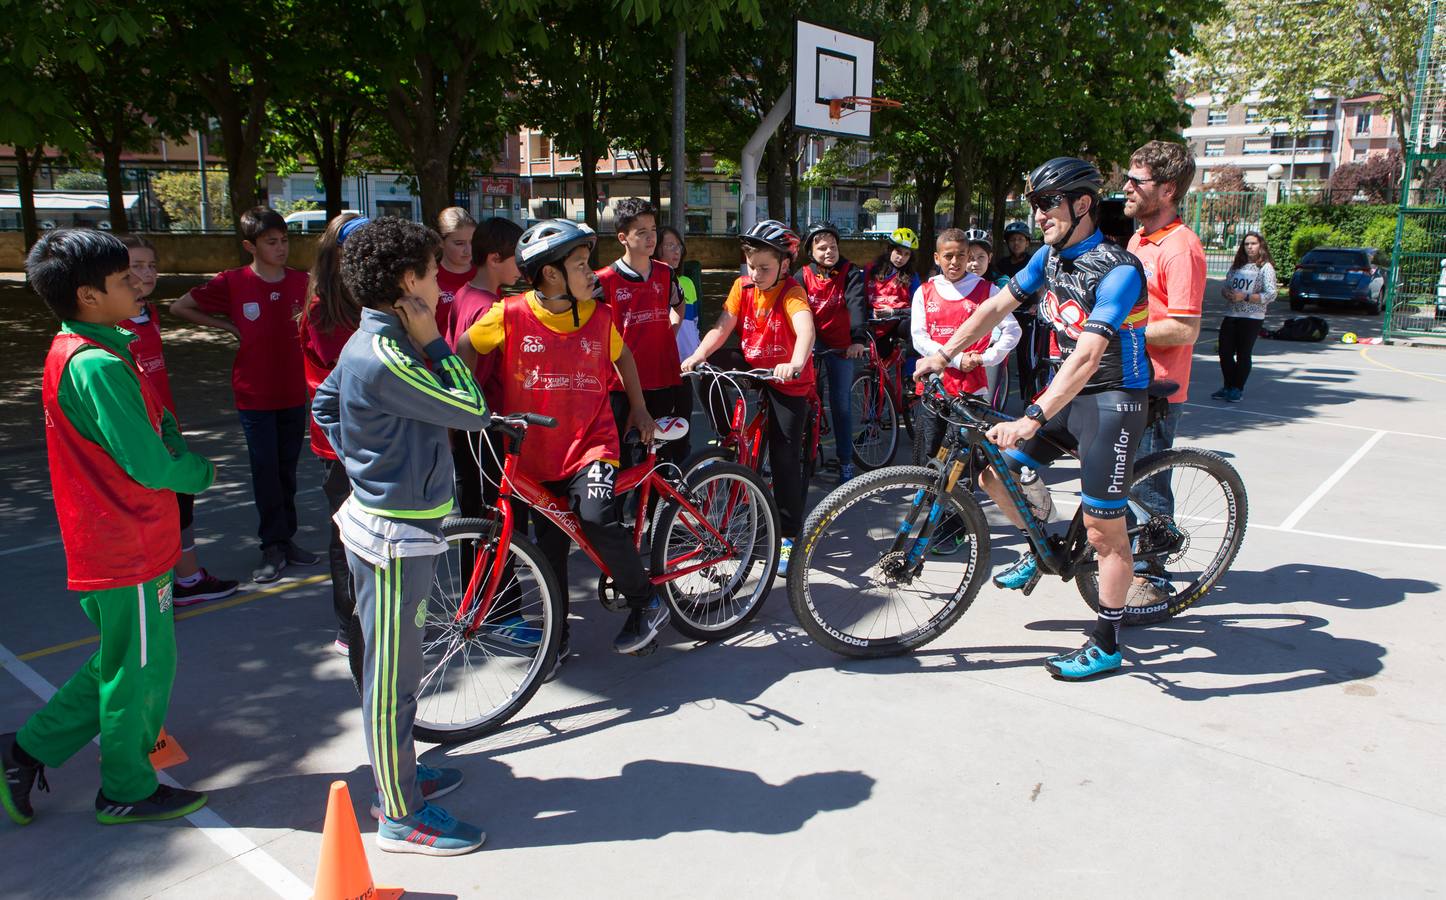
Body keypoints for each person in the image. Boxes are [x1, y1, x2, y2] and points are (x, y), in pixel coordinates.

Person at [2, 230, 216, 827]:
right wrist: (197, 470)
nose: (139, 284)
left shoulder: (94, 347)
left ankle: (25, 750)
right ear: (89, 296)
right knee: (139, 670)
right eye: (125, 279)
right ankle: (124, 787)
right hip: (127, 543)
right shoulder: (94, 362)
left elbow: (154, 425)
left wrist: (169, 438)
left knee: (122, 659)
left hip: (121, 539)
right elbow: (149, 462)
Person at [916, 157, 1152, 680]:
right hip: (1067, 393)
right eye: (1035, 204)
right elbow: (994, 308)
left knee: (1101, 533)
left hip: (1113, 399)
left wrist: (1032, 415)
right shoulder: (1047, 258)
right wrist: (945, 353)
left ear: (1082, 205)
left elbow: (1089, 355)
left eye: (1048, 203)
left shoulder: (1119, 268)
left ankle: (1108, 640)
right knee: (991, 471)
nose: (1038, 214)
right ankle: (1043, 543)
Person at [311, 216, 488, 855]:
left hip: (401, 522)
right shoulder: (389, 350)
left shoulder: (375, 337)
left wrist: (366, 459)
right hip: (393, 535)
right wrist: (437, 343)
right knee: (393, 677)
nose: (443, 285)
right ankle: (399, 813)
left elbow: (325, 406)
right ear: (408, 284)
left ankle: (401, 772)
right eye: (435, 274)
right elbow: (473, 410)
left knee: (400, 669)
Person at [458, 220, 668, 666]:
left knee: (595, 517)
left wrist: (640, 408)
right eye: (580, 265)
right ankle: (558, 636)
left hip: (592, 445)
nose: (592, 272)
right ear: (552, 275)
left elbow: (623, 357)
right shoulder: (510, 313)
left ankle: (646, 600)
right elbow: (466, 344)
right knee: (549, 549)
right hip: (536, 454)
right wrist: (464, 393)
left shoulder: (601, 316)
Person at [170, 206, 318, 583]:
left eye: (284, 240)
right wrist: (226, 326)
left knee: (287, 470)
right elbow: (179, 306)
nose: (281, 248)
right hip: (254, 395)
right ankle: (271, 544)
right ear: (250, 246)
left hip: (292, 391)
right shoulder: (232, 282)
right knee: (265, 469)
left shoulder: (302, 280)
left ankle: (286, 540)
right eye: (272, 242)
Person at [682, 219, 815, 575]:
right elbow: (723, 325)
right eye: (752, 266)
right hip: (753, 363)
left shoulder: (792, 292)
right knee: (706, 369)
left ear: (785, 265)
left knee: (785, 458)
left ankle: (788, 535)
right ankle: (727, 435)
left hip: (787, 379)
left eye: (765, 268)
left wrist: (796, 361)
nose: (756, 274)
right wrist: (697, 355)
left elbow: (805, 329)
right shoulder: (742, 286)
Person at [119, 235, 238, 607]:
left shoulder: (149, 313)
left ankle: (187, 579)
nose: (147, 272)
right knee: (147, 515)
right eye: (136, 265)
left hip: (167, 429)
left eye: (151, 265)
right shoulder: (111, 326)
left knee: (180, 506)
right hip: (140, 436)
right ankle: (149, 597)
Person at [1123, 140, 1206, 605]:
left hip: (1159, 386)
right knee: (1119, 476)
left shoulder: (1181, 247)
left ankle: (1153, 575)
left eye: (1138, 180)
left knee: (1148, 482)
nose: (1127, 187)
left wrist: (1120, 331)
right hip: (1128, 376)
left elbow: (1185, 327)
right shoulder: (1139, 239)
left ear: (1168, 189)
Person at [909, 229, 1022, 555]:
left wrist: (986, 358)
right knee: (929, 457)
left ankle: (956, 526)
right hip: (934, 389)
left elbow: (1012, 332)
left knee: (964, 461)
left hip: (972, 392)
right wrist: (956, 357)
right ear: (937, 258)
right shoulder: (925, 292)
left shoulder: (987, 291)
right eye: (949, 256)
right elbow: (919, 337)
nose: (956, 262)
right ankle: (930, 520)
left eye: (962, 255)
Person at [299, 213, 366, 655]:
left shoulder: (371, 297)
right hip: (341, 443)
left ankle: (376, 616)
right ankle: (349, 626)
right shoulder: (323, 309)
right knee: (345, 536)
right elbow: (345, 378)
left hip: (378, 438)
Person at [595, 198, 691, 471]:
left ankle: (652, 514)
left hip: (662, 377)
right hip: (621, 385)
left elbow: (678, 306)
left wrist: (668, 335)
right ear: (623, 238)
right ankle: (622, 513)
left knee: (658, 458)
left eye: (653, 230)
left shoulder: (665, 273)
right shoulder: (603, 280)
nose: (651, 238)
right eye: (642, 232)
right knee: (622, 459)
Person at [447, 217, 524, 519]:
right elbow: (476, 373)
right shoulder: (491, 309)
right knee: (492, 514)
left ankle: (472, 569)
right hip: (486, 425)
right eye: (516, 259)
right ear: (494, 259)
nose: (521, 266)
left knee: (472, 509)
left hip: (466, 425)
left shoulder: (463, 293)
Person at [796, 223, 869, 482]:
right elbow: (792, 309)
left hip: (842, 347)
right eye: (822, 247)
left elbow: (857, 304)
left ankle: (846, 461)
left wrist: (857, 339)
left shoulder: (849, 272)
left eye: (833, 247)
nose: (829, 252)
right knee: (802, 401)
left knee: (841, 404)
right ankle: (803, 454)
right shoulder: (802, 275)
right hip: (812, 345)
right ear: (811, 251)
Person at [959, 229, 1022, 412]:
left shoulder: (1000, 283)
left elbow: (1006, 320)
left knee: (986, 406)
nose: (975, 263)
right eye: (970, 258)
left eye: (981, 257)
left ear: (990, 257)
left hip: (988, 348)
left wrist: (992, 349)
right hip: (959, 350)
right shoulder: (952, 284)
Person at [1213, 232, 1276, 403]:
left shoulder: (1265, 267)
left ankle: (1237, 388)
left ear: (1260, 245)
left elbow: (1271, 294)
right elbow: (1225, 286)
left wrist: (1246, 297)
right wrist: (1227, 293)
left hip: (1252, 316)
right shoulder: (1237, 266)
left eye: (1253, 243)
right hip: (1232, 313)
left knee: (1243, 353)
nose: (1250, 247)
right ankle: (1228, 385)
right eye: (1247, 244)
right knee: (1224, 352)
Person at [996, 221, 1050, 404]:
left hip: (1028, 316)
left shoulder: (1032, 262)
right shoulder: (1002, 264)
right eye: (1012, 240)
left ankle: (1031, 400)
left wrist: (1038, 305)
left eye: (1020, 239)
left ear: (1027, 243)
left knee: (1027, 360)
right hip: (1008, 315)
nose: (1016, 243)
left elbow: (1042, 288)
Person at [864, 227, 921, 359]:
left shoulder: (912, 277)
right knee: (877, 365)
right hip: (873, 323)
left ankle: (910, 376)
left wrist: (893, 312)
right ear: (890, 249)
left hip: (898, 324)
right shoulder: (870, 270)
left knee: (914, 331)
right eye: (898, 252)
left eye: (907, 254)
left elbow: (919, 308)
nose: (901, 258)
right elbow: (859, 297)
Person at [655, 225, 701, 363]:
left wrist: (698, 352)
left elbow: (695, 323)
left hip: (690, 361)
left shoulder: (687, 283)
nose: (677, 251)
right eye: (670, 245)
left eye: (679, 246)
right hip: (664, 362)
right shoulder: (650, 284)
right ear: (656, 249)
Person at [435, 206, 477, 338]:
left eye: (472, 242)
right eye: (459, 243)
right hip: (441, 357)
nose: (468, 250)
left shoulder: (486, 274)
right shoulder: (429, 278)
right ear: (441, 242)